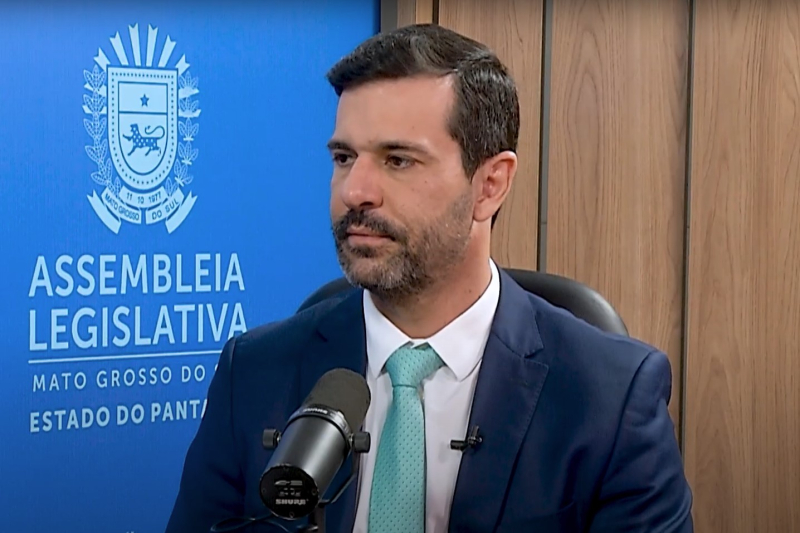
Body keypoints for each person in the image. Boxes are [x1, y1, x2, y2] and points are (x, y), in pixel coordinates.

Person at [165, 23, 693, 533]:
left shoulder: (611, 399)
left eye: (398, 160)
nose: (354, 192)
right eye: (344, 157)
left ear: (490, 185)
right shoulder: (252, 374)